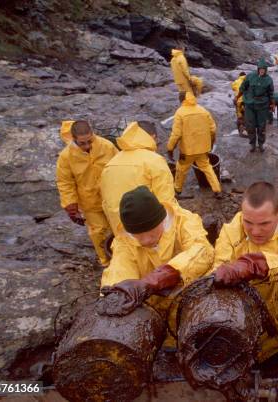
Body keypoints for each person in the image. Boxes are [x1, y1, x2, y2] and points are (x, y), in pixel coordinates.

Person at [209, 181, 278, 362]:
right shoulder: (230, 233)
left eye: (264, 224)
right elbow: (219, 267)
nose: (255, 231)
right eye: (248, 222)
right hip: (247, 327)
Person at [96, 186, 214, 321]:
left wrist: (161, 277)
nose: (145, 241)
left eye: (152, 234)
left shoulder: (185, 222)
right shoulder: (124, 240)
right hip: (151, 306)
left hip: (188, 299)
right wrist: (117, 294)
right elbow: (119, 269)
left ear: (162, 220)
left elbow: (202, 251)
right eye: (138, 237)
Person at [56, 120, 118, 266]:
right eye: (82, 143)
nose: (87, 146)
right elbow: (65, 182)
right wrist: (71, 206)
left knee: (119, 228)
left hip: (112, 197)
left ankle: (124, 258)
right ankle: (105, 260)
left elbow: (121, 167)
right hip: (89, 201)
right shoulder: (66, 157)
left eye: (89, 141)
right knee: (99, 231)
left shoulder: (107, 146)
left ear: (93, 134)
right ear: (73, 139)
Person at [100, 121, 176, 234]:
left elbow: (106, 203)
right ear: (152, 137)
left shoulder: (110, 164)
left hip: (121, 229)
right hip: (150, 229)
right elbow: (167, 201)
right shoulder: (154, 160)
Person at [167, 92, 223, 199]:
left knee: (181, 169)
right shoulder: (203, 110)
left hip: (187, 151)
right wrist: (211, 142)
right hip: (203, 148)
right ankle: (217, 190)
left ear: (182, 100)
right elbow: (213, 129)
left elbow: (176, 134)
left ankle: (177, 191)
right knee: (207, 167)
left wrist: (170, 148)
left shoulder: (180, 112)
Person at [235, 59, 275, 153]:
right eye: (260, 69)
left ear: (266, 70)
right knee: (250, 125)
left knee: (261, 126)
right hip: (250, 104)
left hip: (262, 105)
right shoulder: (250, 76)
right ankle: (252, 144)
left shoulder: (269, 80)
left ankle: (261, 144)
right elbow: (242, 88)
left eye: (263, 69)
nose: (262, 70)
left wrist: (272, 104)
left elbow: (271, 93)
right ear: (257, 69)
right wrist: (237, 97)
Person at [231, 72, 247, 137]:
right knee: (247, 115)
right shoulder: (247, 80)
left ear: (239, 76)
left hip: (238, 101)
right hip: (246, 100)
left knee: (239, 115)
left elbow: (233, 87)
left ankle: (240, 130)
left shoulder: (236, 81)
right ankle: (245, 130)